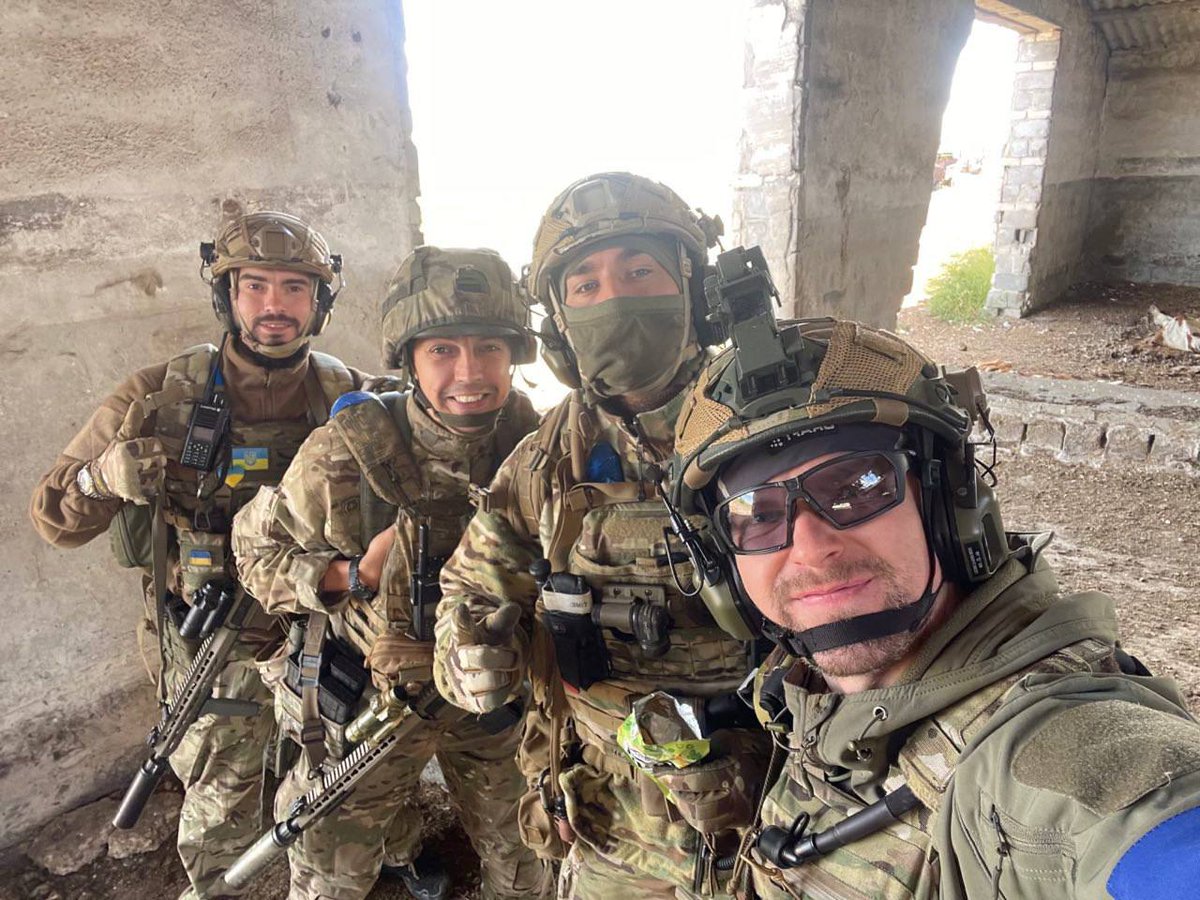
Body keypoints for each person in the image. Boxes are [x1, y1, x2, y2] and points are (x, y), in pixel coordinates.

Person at [665, 250, 1200, 899]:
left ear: (951, 507)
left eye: (856, 487)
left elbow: (1147, 833)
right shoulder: (802, 691)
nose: (810, 548)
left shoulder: (1052, 753)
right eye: (759, 515)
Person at [432, 173, 772, 899]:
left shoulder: (776, 423)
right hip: (614, 819)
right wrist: (469, 654)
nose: (614, 299)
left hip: (779, 801)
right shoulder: (547, 461)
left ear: (695, 289)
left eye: (640, 272)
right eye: (585, 286)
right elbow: (471, 588)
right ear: (558, 323)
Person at [30, 211, 371, 899]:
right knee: (220, 801)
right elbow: (54, 518)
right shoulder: (158, 396)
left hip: (322, 628)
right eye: (255, 286)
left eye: (295, 287)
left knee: (348, 776)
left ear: (319, 303)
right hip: (212, 642)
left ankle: (387, 852)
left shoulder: (351, 397)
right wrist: (102, 478)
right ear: (227, 295)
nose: (275, 305)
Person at [231, 246, 550, 900]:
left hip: (491, 699)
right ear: (408, 358)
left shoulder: (534, 444)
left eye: (490, 348)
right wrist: (350, 574)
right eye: (443, 350)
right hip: (374, 708)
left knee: (527, 857)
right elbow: (254, 558)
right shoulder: (346, 453)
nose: (470, 372)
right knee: (330, 873)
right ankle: (397, 852)